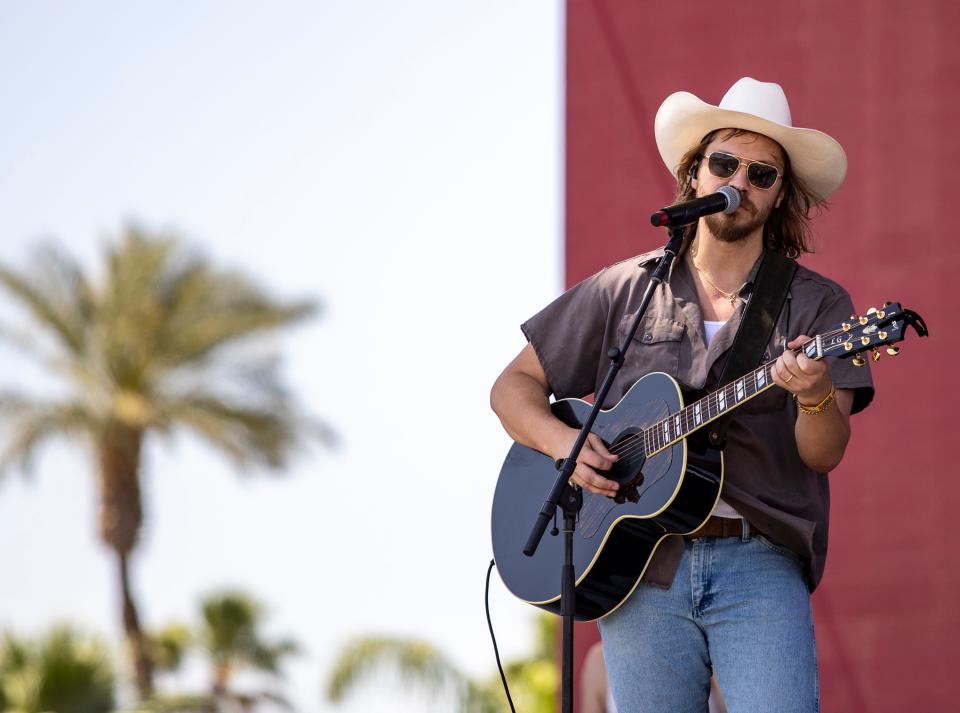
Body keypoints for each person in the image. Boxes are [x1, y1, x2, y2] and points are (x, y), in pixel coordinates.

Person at [490, 77, 874, 712]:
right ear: (695, 174)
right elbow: (512, 388)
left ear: (780, 197)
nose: (740, 184)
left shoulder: (819, 305)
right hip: (639, 571)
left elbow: (824, 452)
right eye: (725, 164)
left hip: (758, 562)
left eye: (762, 173)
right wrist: (565, 444)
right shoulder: (627, 288)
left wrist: (812, 395)